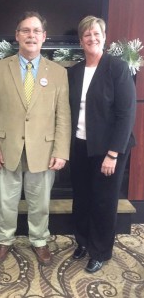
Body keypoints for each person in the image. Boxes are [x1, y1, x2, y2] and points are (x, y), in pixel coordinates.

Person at [0, 11, 70, 266]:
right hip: (6, 147)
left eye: (36, 31)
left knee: (40, 202)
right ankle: (4, 240)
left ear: (44, 37)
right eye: (26, 31)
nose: (31, 35)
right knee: (5, 200)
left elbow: (62, 114)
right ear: (17, 36)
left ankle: (39, 240)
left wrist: (61, 150)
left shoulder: (58, 72)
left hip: (43, 149)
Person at [68, 16, 136, 273]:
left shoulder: (116, 68)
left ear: (104, 37)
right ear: (80, 40)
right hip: (80, 146)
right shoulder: (73, 71)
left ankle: (100, 251)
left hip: (109, 150)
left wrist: (113, 153)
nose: (92, 38)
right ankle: (83, 242)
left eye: (96, 33)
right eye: (87, 35)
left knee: (104, 202)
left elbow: (126, 113)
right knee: (82, 198)